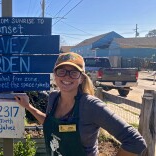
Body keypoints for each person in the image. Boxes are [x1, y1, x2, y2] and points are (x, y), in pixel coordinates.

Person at [15, 52, 147, 156]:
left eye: (74, 72)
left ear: (81, 78)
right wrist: (28, 107)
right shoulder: (53, 97)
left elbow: (135, 141)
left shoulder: (90, 105)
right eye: (61, 71)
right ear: (55, 75)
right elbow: (50, 124)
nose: (66, 77)